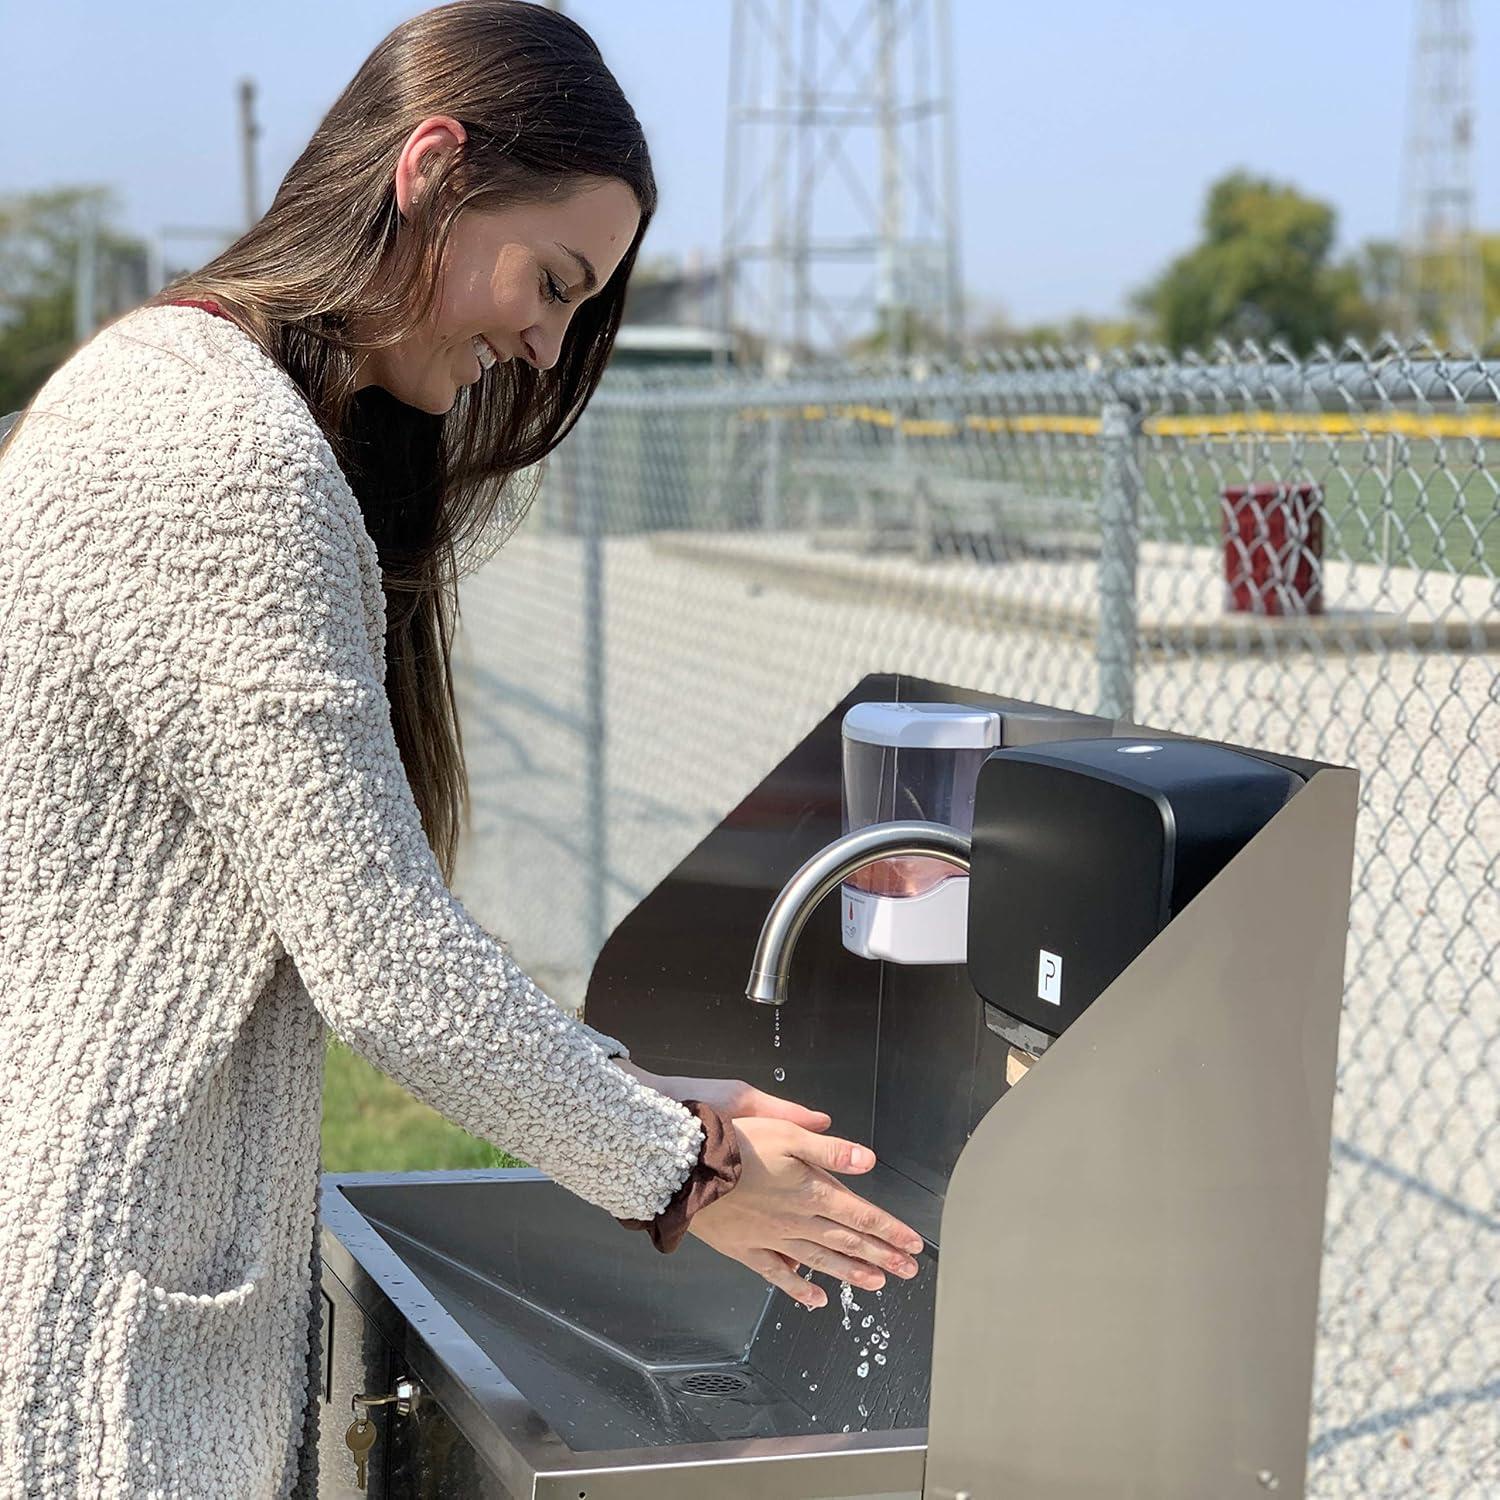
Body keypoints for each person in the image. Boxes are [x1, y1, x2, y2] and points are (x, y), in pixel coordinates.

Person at [0, 3, 923, 1496]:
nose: (545, 342)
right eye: (551, 280)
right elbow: (382, 960)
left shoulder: (189, 397)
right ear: (432, 166)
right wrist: (684, 1171)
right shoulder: (222, 453)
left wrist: (655, 1109)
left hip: (103, 1277)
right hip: (98, 1345)